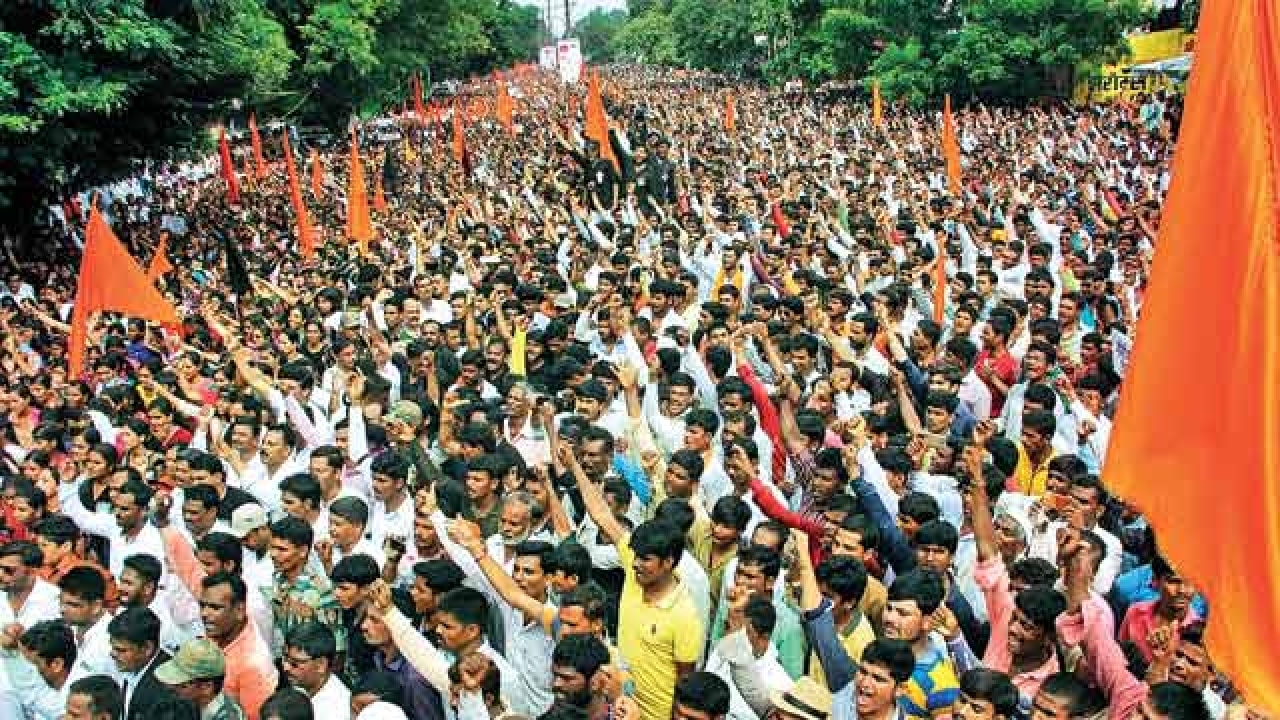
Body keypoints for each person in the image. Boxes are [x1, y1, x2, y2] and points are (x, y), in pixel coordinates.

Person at [107, 606, 177, 720]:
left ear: (147, 648)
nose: (112, 654)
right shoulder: (133, 666)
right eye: (113, 647)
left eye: (121, 650)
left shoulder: (165, 690)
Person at [153, 638, 248, 720]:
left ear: (206, 687)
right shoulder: (193, 704)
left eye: (182, 685)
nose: (171, 687)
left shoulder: (227, 716)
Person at [282, 621, 352, 720]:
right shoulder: (302, 685)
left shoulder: (335, 712)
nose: (286, 667)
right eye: (285, 658)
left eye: (295, 663)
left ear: (321, 665)